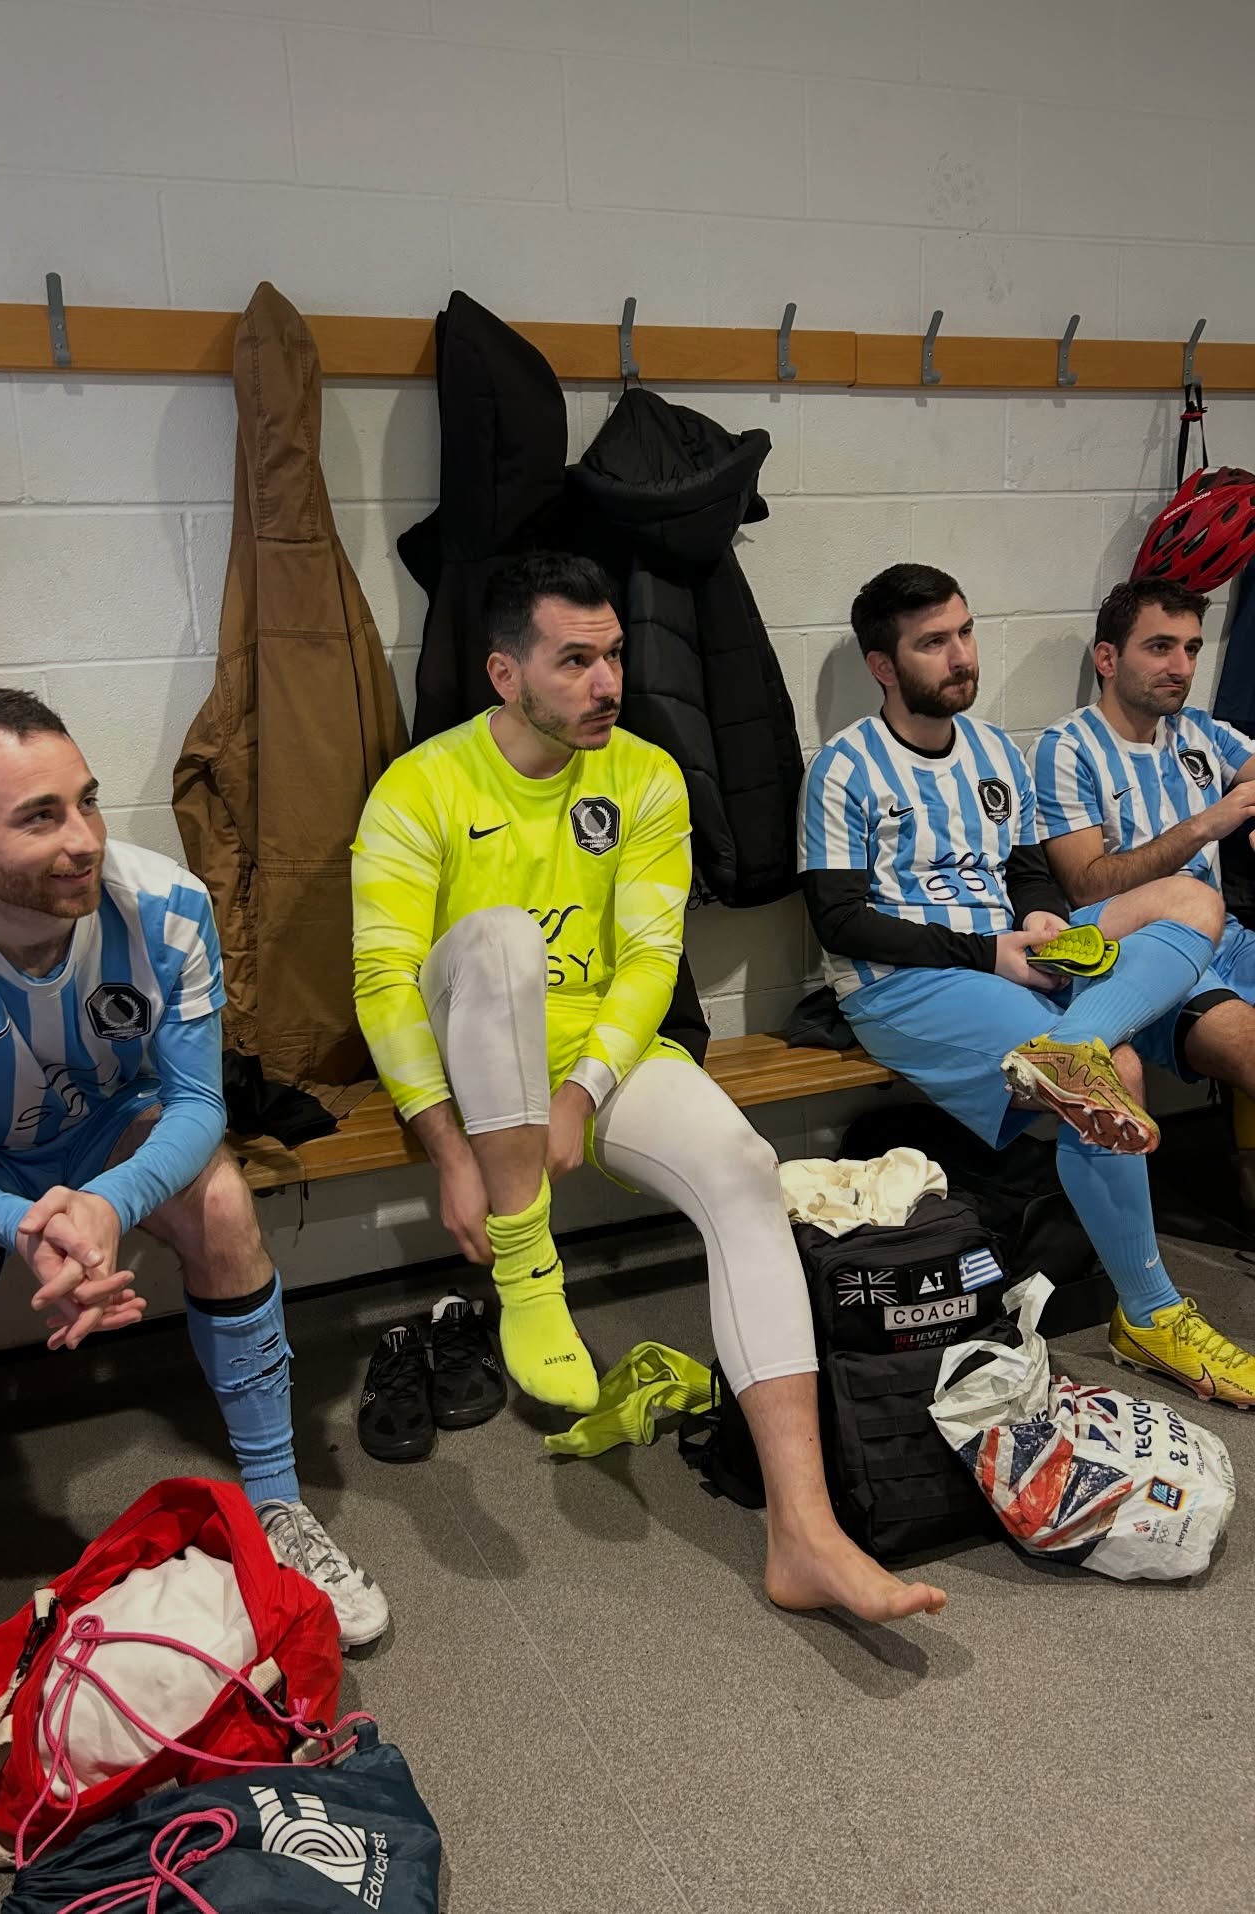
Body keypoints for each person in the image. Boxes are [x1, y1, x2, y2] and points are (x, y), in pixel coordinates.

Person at [351, 550, 946, 1626]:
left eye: (615, 655)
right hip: (470, 1054)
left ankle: (803, 1534)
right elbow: (384, 980)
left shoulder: (647, 776)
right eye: (575, 660)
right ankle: (531, 1279)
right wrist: (448, 1151)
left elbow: (646, 962)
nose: (607, 683)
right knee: (494, 945)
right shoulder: (421, 785)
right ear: (503, 673)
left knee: (745, 1170)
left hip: (597, 1059)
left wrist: (578, 1094)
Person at [0, 688, 387, 1822]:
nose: (82, 837)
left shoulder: (165, 905)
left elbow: (193, 1104)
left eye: (85, 802)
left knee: (225, 1203)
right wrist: (29, 1223)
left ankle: (278, 1518)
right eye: (38, 817)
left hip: (107, 1137)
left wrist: (105, 1202)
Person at [799, 562, 1255, 1409]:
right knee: (1110, 1074)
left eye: (964, 633)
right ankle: (1150, 1314)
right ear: (885, 667)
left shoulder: (992, 750)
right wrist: (991, 953)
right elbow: (839, 921)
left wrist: (1042, 922)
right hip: (907, 984)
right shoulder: (843, 767)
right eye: (933, 643)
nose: (959, 656)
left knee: (1191, 902)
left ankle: (1074, 1038)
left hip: (1012, 957)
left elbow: (1023, 872)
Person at [1031, 577, 1255, 1201]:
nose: (1180, 667)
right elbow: (1084, 884)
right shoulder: (1067, 748)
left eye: (1191, 649)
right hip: (1144, 958)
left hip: (1229, 940)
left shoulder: (1201, 732)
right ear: (1108, 658)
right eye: (1160, 647)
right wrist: (1206, 825)